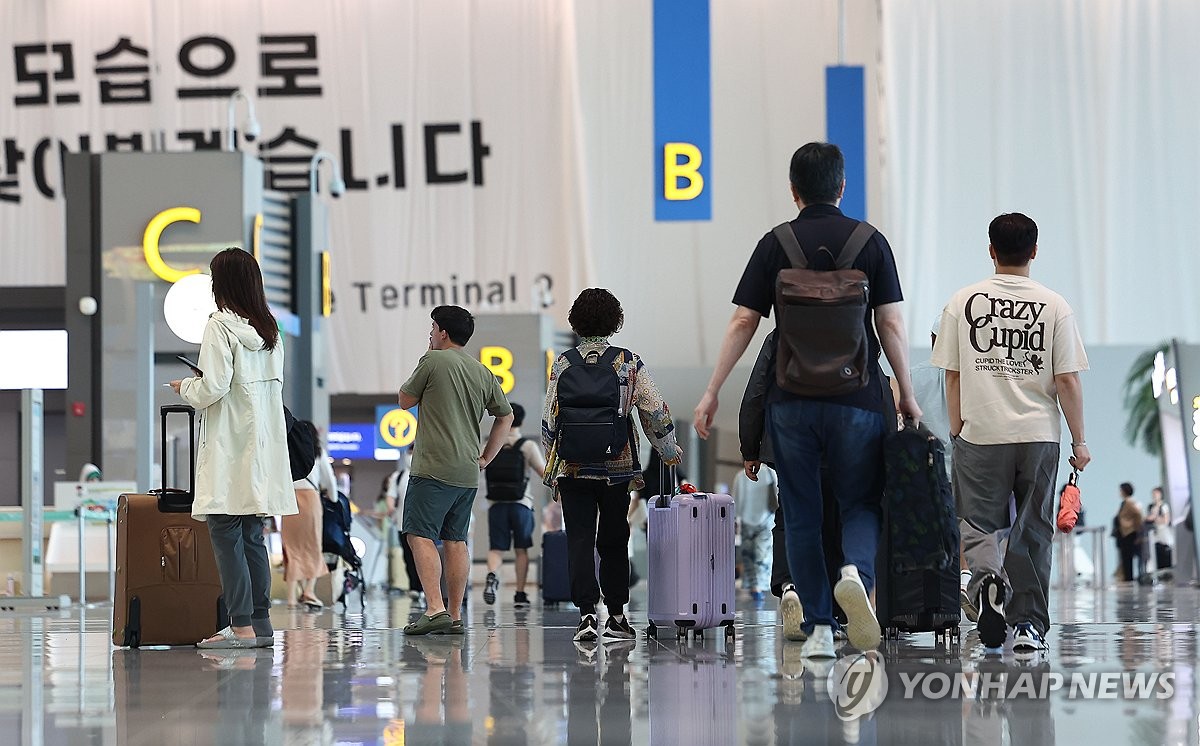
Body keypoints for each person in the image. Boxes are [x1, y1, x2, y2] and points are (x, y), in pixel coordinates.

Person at [695, 142, 920, 658]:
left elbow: (743, 322)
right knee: (861, 500)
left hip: (791, 401)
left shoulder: (776, 244)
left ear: (793, 191)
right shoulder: (870, 242)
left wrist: (712, 393)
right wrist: (905, 393)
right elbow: (890, 324)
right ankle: (856, 576)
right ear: (842, 186)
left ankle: (817, 626)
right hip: (859, 398)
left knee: (800, 510)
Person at [933, 212, 1091, 653]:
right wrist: (1079, 441)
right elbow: (1067, 380)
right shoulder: (1055, 306)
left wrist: (958, 427)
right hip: (1039, 434)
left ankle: (986, 585)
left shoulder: (962, 302)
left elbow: (952, 374)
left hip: (981, 430)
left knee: (979, 524)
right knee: (1032, 528)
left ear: (991, 250)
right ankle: (1028, 627)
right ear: (1034, 251)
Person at [170, 247, 296, 648]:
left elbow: (213, 387)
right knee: (252, 535)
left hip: (230, 445)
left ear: (220, 284)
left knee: (225, 534)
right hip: (262, 447)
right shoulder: (271, 331)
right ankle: (260, 625)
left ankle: (239, 626)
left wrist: (185, 386)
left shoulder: (219, 326)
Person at [542, 288, 683, 644]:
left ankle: (587, 615)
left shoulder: (563, 363)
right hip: (616, 466)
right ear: (614, 321)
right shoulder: (628, 362)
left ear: (576, 321)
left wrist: (554, 459)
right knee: (615, 539)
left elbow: (549, 422)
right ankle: (617, 617)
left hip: (573, 467)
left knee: (578, 539)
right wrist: (667, 448)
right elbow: (654, 410)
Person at [398, 305, 514, 635]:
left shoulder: (433, 360)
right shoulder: (481, 371)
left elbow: (404, 400)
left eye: (433, 328)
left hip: (433, 467)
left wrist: (427, 354)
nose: (430, 333)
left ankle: (434, 609)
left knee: (418, 535)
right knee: (455, 540)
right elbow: (505, 416)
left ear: (443, 332)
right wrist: (486, 457)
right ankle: (455, 615)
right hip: (467, 472)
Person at [483, 402, 547, 608]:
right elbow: (543, 473)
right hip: (521, 504)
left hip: (496, 504)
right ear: (522, 420)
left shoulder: (490, 443)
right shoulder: (527, 446)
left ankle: (492, 574)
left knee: (496, 548)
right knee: (521, 549)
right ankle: (520, 593)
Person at [283, 431, 337, 609]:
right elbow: (330, 481)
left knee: (292, 548)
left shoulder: (287, 450)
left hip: (290, 500)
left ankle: (291, 597)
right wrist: (334, 499)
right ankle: (309, 590)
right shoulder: (319, 453)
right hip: (311, 499)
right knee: (313, 546)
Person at [732, 463, 777, 603]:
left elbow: (737, 499)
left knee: (748, 554)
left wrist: (735, 518)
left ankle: (754, 586)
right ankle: (760, 585)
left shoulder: (740, 476)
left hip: (746, 520)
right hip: (766, 519)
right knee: (762, 554)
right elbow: (776, 494)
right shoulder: (771, 473)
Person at [385, 448, 424, 600]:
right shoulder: (399, 476)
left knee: (422, 556)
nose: (411, 457)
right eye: (409, 453)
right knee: (408, 557)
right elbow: (391, 495)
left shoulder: (425, 474)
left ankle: (423, 587)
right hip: (402, 523)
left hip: (423, 524)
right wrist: (390, 508)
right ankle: (414, 586)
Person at [1115, 483, 1144, 582]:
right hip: (1124, 533)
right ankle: (1126, 576)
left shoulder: (1130, 503)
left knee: (1128, 556)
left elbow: (1138, 515)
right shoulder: (1125, 503)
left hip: (1129, 532)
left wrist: (1135, 527)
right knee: (1125, 556)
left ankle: (1129, 577)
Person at [1147, 486, 1173, 570]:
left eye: (1156, 493)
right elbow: (1149, 518)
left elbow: (1166, 520)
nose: (1154, 495)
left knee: (1165, 552)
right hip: (1155, 533)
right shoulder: (1151, 506)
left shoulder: (1164, 506)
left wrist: (1156, 518)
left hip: (1163, 532)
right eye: (1153, 494)